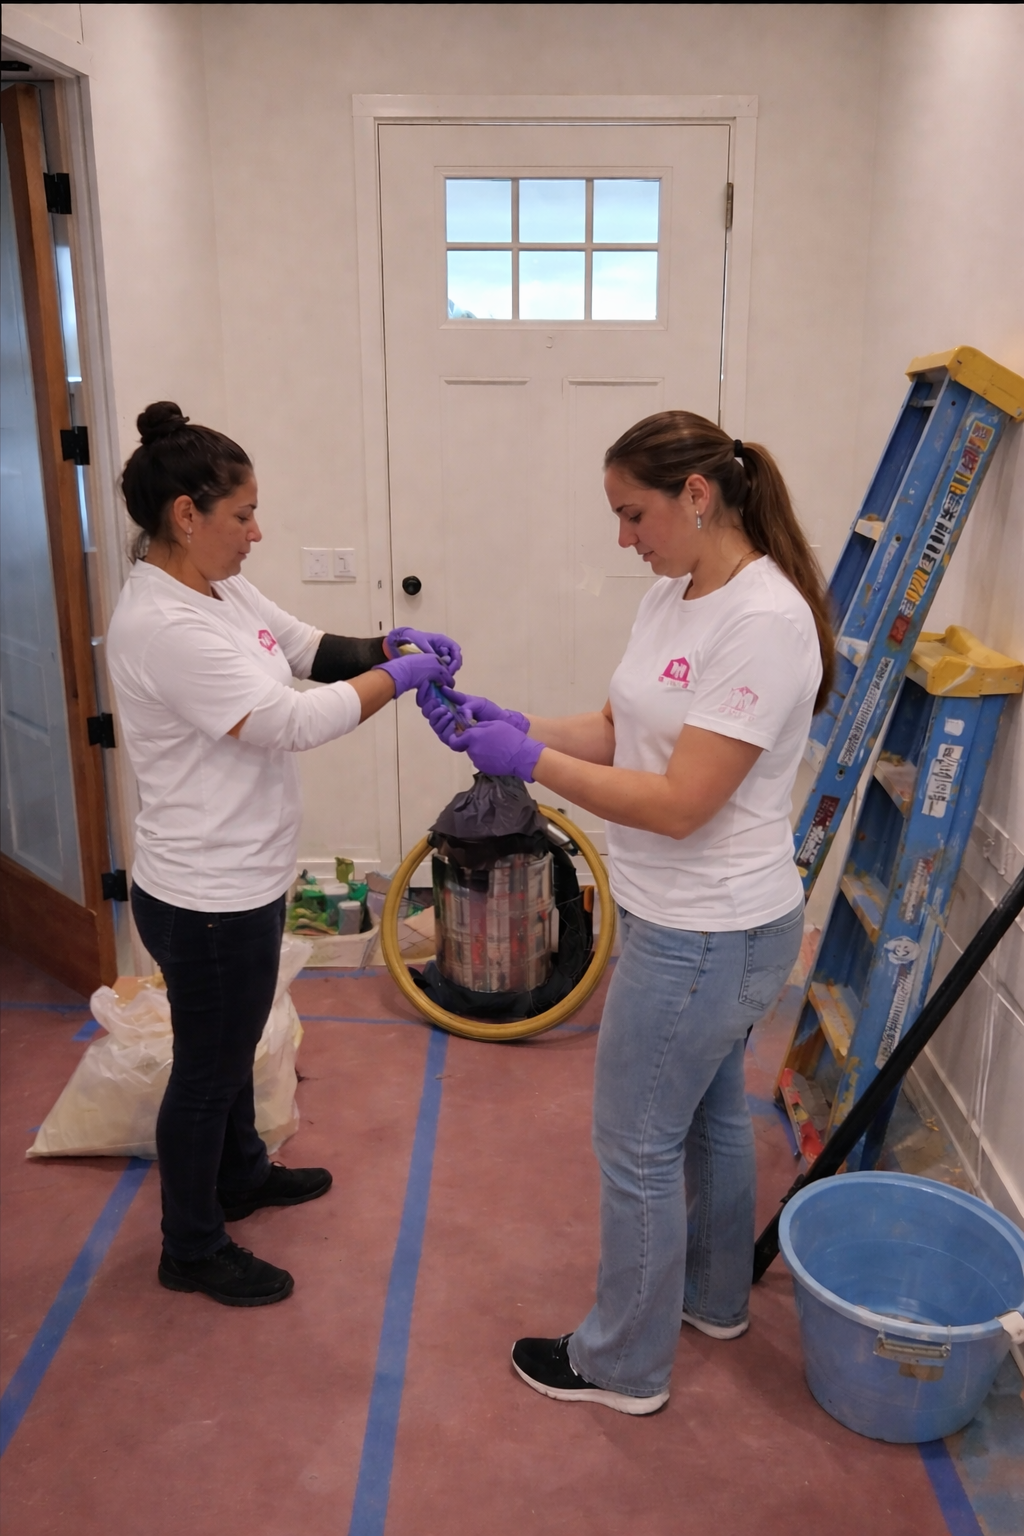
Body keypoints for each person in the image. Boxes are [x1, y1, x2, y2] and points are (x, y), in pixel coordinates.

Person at [420, 410, 834, 1413]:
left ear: (697, 496)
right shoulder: (675, 595)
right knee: (697, 1120)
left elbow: (683, 805)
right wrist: (507, 723)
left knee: (634, 1144)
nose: (623, 538)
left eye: (631, 513)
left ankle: (623, 1364)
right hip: (685, 919)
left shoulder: (763, 624)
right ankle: (711, 1300)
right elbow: (622, 728)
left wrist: (534, 768)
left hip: (710, 926)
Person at [107, 401, 460, 1308]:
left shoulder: (215, 589)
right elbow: (288, 722)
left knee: (225, 1048)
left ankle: (241, 1176)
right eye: (243, 515)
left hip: (243, 878)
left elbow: (306, 649)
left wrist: (389, 643)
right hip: (204, 893)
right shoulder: (163, 626)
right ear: (187, 515)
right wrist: (399, 680)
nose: (258, 533)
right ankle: (189, 1246)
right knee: (209, 1070)